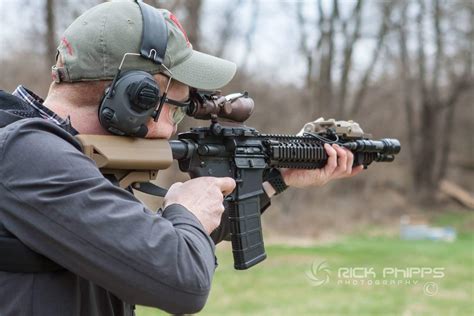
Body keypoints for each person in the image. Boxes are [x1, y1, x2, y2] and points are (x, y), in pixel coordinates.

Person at [0, 1, 362, 315]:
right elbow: (181, 281)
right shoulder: (27, 154)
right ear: (135, 97)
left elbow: (145, 249)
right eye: (175, 109)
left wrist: (276, 179)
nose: (174, 128)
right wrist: (185, 210)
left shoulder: (54, 158)